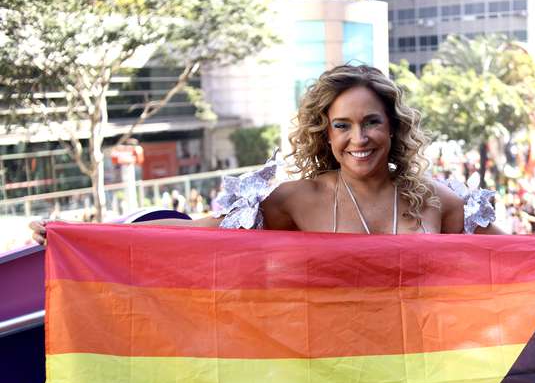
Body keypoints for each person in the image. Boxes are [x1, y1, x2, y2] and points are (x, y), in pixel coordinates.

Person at [31, 65, 503, 245]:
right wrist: (83, 236)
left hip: (425, 371)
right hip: (334, 372)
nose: (358, 138)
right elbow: (198, 236)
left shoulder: (438, 200)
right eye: (343, 125)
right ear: (326, 134)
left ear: (393, 127)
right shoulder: (294, 200)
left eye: (371, 121)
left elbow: (527, 258)